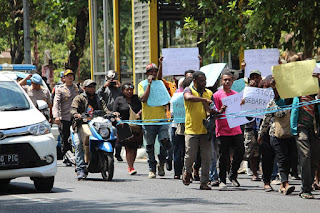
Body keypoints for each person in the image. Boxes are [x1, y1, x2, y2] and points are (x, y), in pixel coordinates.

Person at [274, 74, 320, 199]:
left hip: (315, 129)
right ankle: (305, 190)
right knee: (305, 156)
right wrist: (276, 88)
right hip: (301, 128)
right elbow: (281, 102)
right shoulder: (297, 94)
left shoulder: (316, 92)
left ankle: (308, 185)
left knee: (315, 159)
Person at [182, 71, 215, 190]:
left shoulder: (209, 93)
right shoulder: (188, 90)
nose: (204, 83)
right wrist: (203, 100)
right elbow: (188, 98)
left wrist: (217, 111)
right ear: (195, 81)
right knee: (190, 155)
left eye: (205, 80)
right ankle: (187, 172)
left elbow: (210, 110)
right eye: (202, 81)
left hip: (205, 130)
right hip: (191, 129)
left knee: (206, 157)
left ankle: (204, 182)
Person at [138, 62, 172, 179]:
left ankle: (161, 163)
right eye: (150, 72)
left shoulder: (160, 84)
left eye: (155, 72)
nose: (153, 74)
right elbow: (143, 99)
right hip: (148, 121)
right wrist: (149, 84)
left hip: (161, 119)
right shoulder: (142, 84)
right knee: (149, 146)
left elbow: (167, 99)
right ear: (147, 74)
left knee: (164, 141)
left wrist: (161, 64)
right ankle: (152, 168)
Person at [213, 72, 244, 189]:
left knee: (241, 151)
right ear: (221, 81)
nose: (227, 82)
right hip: (223, 130)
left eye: (229, 80)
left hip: (236, 129)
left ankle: (233, 175)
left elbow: (240, 112)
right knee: (223, 156)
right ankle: (222, 180)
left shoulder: (236, 94)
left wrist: (242, 104)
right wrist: (219, 110)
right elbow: (213, 113)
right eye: (225, 80)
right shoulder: (216, 95)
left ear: (232, 81)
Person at [71, 79, 105, 179]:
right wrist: (76, 114)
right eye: (89, 87)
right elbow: (73, 108)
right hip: (81, 124)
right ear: (84, 88)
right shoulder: (79, 98)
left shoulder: (99, 98)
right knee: (78, 144)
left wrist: (112, 113)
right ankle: (81, 169)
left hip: (96, 124)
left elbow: (105, 109)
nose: (92, 89)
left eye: (93, 86)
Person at [52, 69, 81, 166]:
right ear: (64, 78)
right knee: (65, 138)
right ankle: (66, 156)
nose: (70, 77)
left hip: (76, 117)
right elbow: (56, 104)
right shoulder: (60, 89)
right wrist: (56, 116)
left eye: (71, 75)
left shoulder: (78, 89)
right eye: (68, 76)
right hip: (65, 117)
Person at [113, 82, 142, 175]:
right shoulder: (119, 100)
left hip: (136, 126)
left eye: (131, 89)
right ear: (122, 91)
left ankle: (131, 164)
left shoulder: (136, 99)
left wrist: (140, 113)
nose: (129, 91)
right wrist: (118, 120)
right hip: (123, 126)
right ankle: (130, 167)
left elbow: (142, 108)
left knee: (134, 147)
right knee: (128, 147)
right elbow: (114, 112)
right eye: (127, 90)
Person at [97, 70, 123, 161]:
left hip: (119, 114)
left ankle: (118, 153)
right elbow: (97, 95)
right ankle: (109, 152)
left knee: (120, 135)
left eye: (114, 80)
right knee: (109, 133)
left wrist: (120, 87)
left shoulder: (119, 89)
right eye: (110, 80)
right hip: (107, 114)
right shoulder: (104, 89)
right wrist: (104, 86)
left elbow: (125, 96)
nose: (112, 82)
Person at [243, 70, 262, 181]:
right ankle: (255, 173)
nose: (254, 80)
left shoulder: (265, 91)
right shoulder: (246, 91)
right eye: (252, 77)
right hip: (250, 125)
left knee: (264, 151)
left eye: (257, 77)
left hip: (262, 126)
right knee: (251, 151)